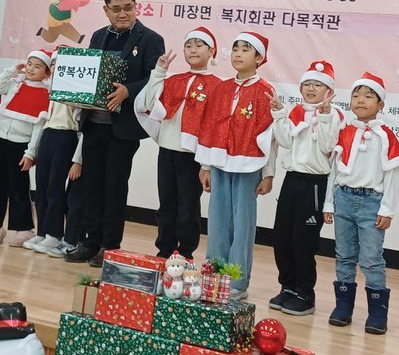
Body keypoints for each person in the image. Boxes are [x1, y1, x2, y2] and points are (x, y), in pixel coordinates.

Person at [65, 0, 165, 266]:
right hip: (93, 123)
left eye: (128, 8)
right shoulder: (98, 36)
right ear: (106, 10)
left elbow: (155, 79)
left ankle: (110, 246)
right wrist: (75, 93)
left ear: (136, 7)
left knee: (114, 187)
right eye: (117, 9)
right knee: (91, 186)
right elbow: (89, 74)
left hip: (123, 129)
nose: (123, 14)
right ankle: (90, 242)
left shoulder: (151, 39)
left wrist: (128, 91)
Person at [194, 31, 277, 300]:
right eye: (236, 48)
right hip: (219, 162)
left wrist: (268, 173)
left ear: (259, 58)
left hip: (249, 165)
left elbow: (270, 135)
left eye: (245, 49)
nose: (238, 54)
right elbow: (209, 126)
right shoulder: (222, 89)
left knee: (242, 224)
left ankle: (237, 282)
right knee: (218, 220)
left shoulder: (265, 91)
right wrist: (206, 165)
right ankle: (214, 275)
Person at [323, 72, 399, 335]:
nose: (361, 100)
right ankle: (343, 306)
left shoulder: (385, 136)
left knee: (371, 258)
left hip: (372, 202)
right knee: (344, 255)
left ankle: (377, 312)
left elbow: (391, 175)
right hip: (344, 198)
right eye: (356, 95)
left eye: (368, 96)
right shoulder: (345, 131)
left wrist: (387, 209)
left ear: (380, 104)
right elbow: (334, 171)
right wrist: (329, 204)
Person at [135, 26, 223, 259]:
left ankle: (185, 253)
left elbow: (214, 125)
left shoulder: (217, 86)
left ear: (211, 51)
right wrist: (159, 71)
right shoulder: (174, 80)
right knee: (166, 204)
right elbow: (149, 103)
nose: (193, 49)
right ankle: (164, 250)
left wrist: (206, 164)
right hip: (167, 150)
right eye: (188, 45)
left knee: (188, 206)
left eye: (199, 45)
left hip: (193, 155)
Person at [266, 60, 341, 315]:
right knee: (282, 237)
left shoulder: (334, 115)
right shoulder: (296, 111)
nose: (311, 89)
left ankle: (305, 293)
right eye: (307, 84)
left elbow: (328, 146)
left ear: (329, 90)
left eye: (317, 85)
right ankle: (287, 287)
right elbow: (285, 141)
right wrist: (279, 113)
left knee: (303, 241)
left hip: (314, 184)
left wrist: (325, 115)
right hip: (292, 180)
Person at [0, 49, 53, 246]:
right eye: (29, 64)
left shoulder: (45, 93)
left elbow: (38, 128)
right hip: (0, 139)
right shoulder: (15, 83)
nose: (31, 69)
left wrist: (31, 153)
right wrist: (12, 70)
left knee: (18, 187)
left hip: (21, 145)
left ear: (47, 72)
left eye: (37, 66)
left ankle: (24, 228)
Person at [21, 49, 84, 256]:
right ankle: (42, 231)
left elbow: (81, 122)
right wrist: (33, 151)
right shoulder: (48, 89)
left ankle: (55, 234)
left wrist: (78, 159)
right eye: (55, 64)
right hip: (48, 135)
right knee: (41, 187)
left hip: (65, 136)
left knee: (55, 188)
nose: (58, 68)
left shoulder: (77, 90)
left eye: (62, 65)